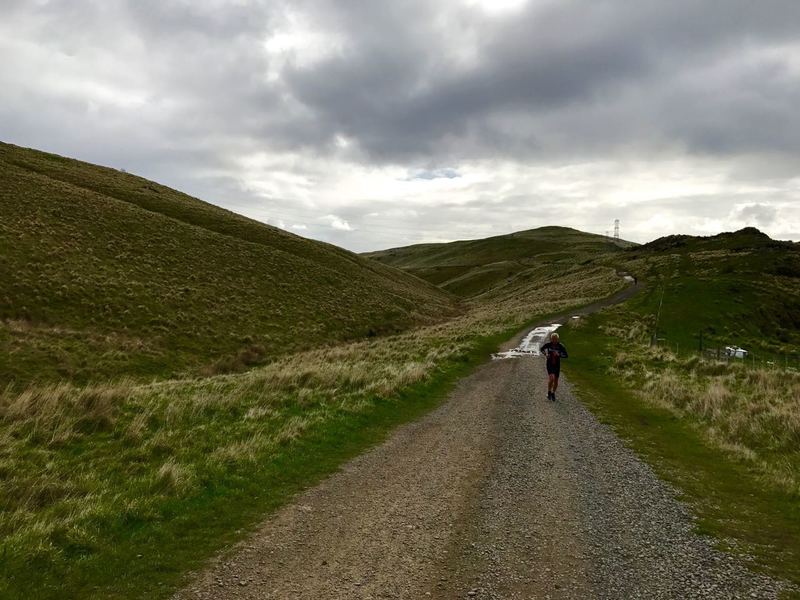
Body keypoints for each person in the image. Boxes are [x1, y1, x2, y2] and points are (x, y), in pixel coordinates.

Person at [540, 332, 568, 401]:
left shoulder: (560, 346)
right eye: (553, 339)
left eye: (555, 339)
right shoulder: (548, 345)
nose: (554, 341)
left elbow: (566, 355)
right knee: (551, 378)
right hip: (549, 363)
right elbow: (542, 349)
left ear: (558, 339)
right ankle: (549, 391)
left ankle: (553, 393)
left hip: (557, 365)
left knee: (556, 380)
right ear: (551, 339)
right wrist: (546, 354)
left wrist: (559, 355)